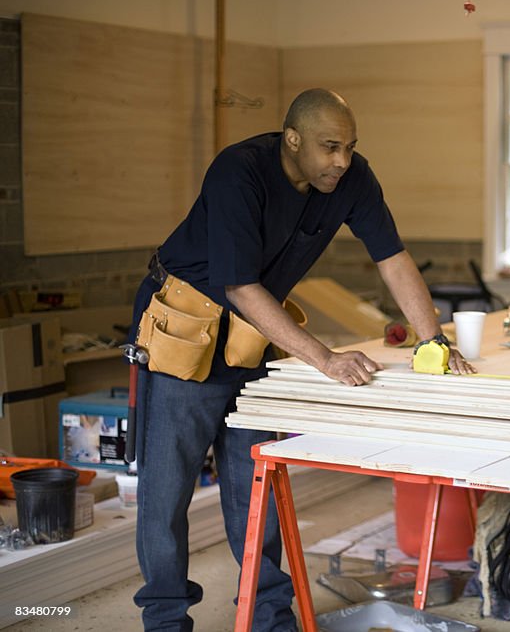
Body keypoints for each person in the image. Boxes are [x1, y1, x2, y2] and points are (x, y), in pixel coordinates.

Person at [129, 88, 473, 631]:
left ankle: (268, 616)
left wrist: (434, 340)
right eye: (330, 147)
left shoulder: (352, 177)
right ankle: (165, 621)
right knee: (167, 492)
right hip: (186, 328)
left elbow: (392, 256)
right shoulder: (238, 172)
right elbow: (240, 286)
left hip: (252, 335)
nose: (342, 160)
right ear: (292, 140)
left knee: (255, 484)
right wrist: (325, 358)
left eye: (349, 147)